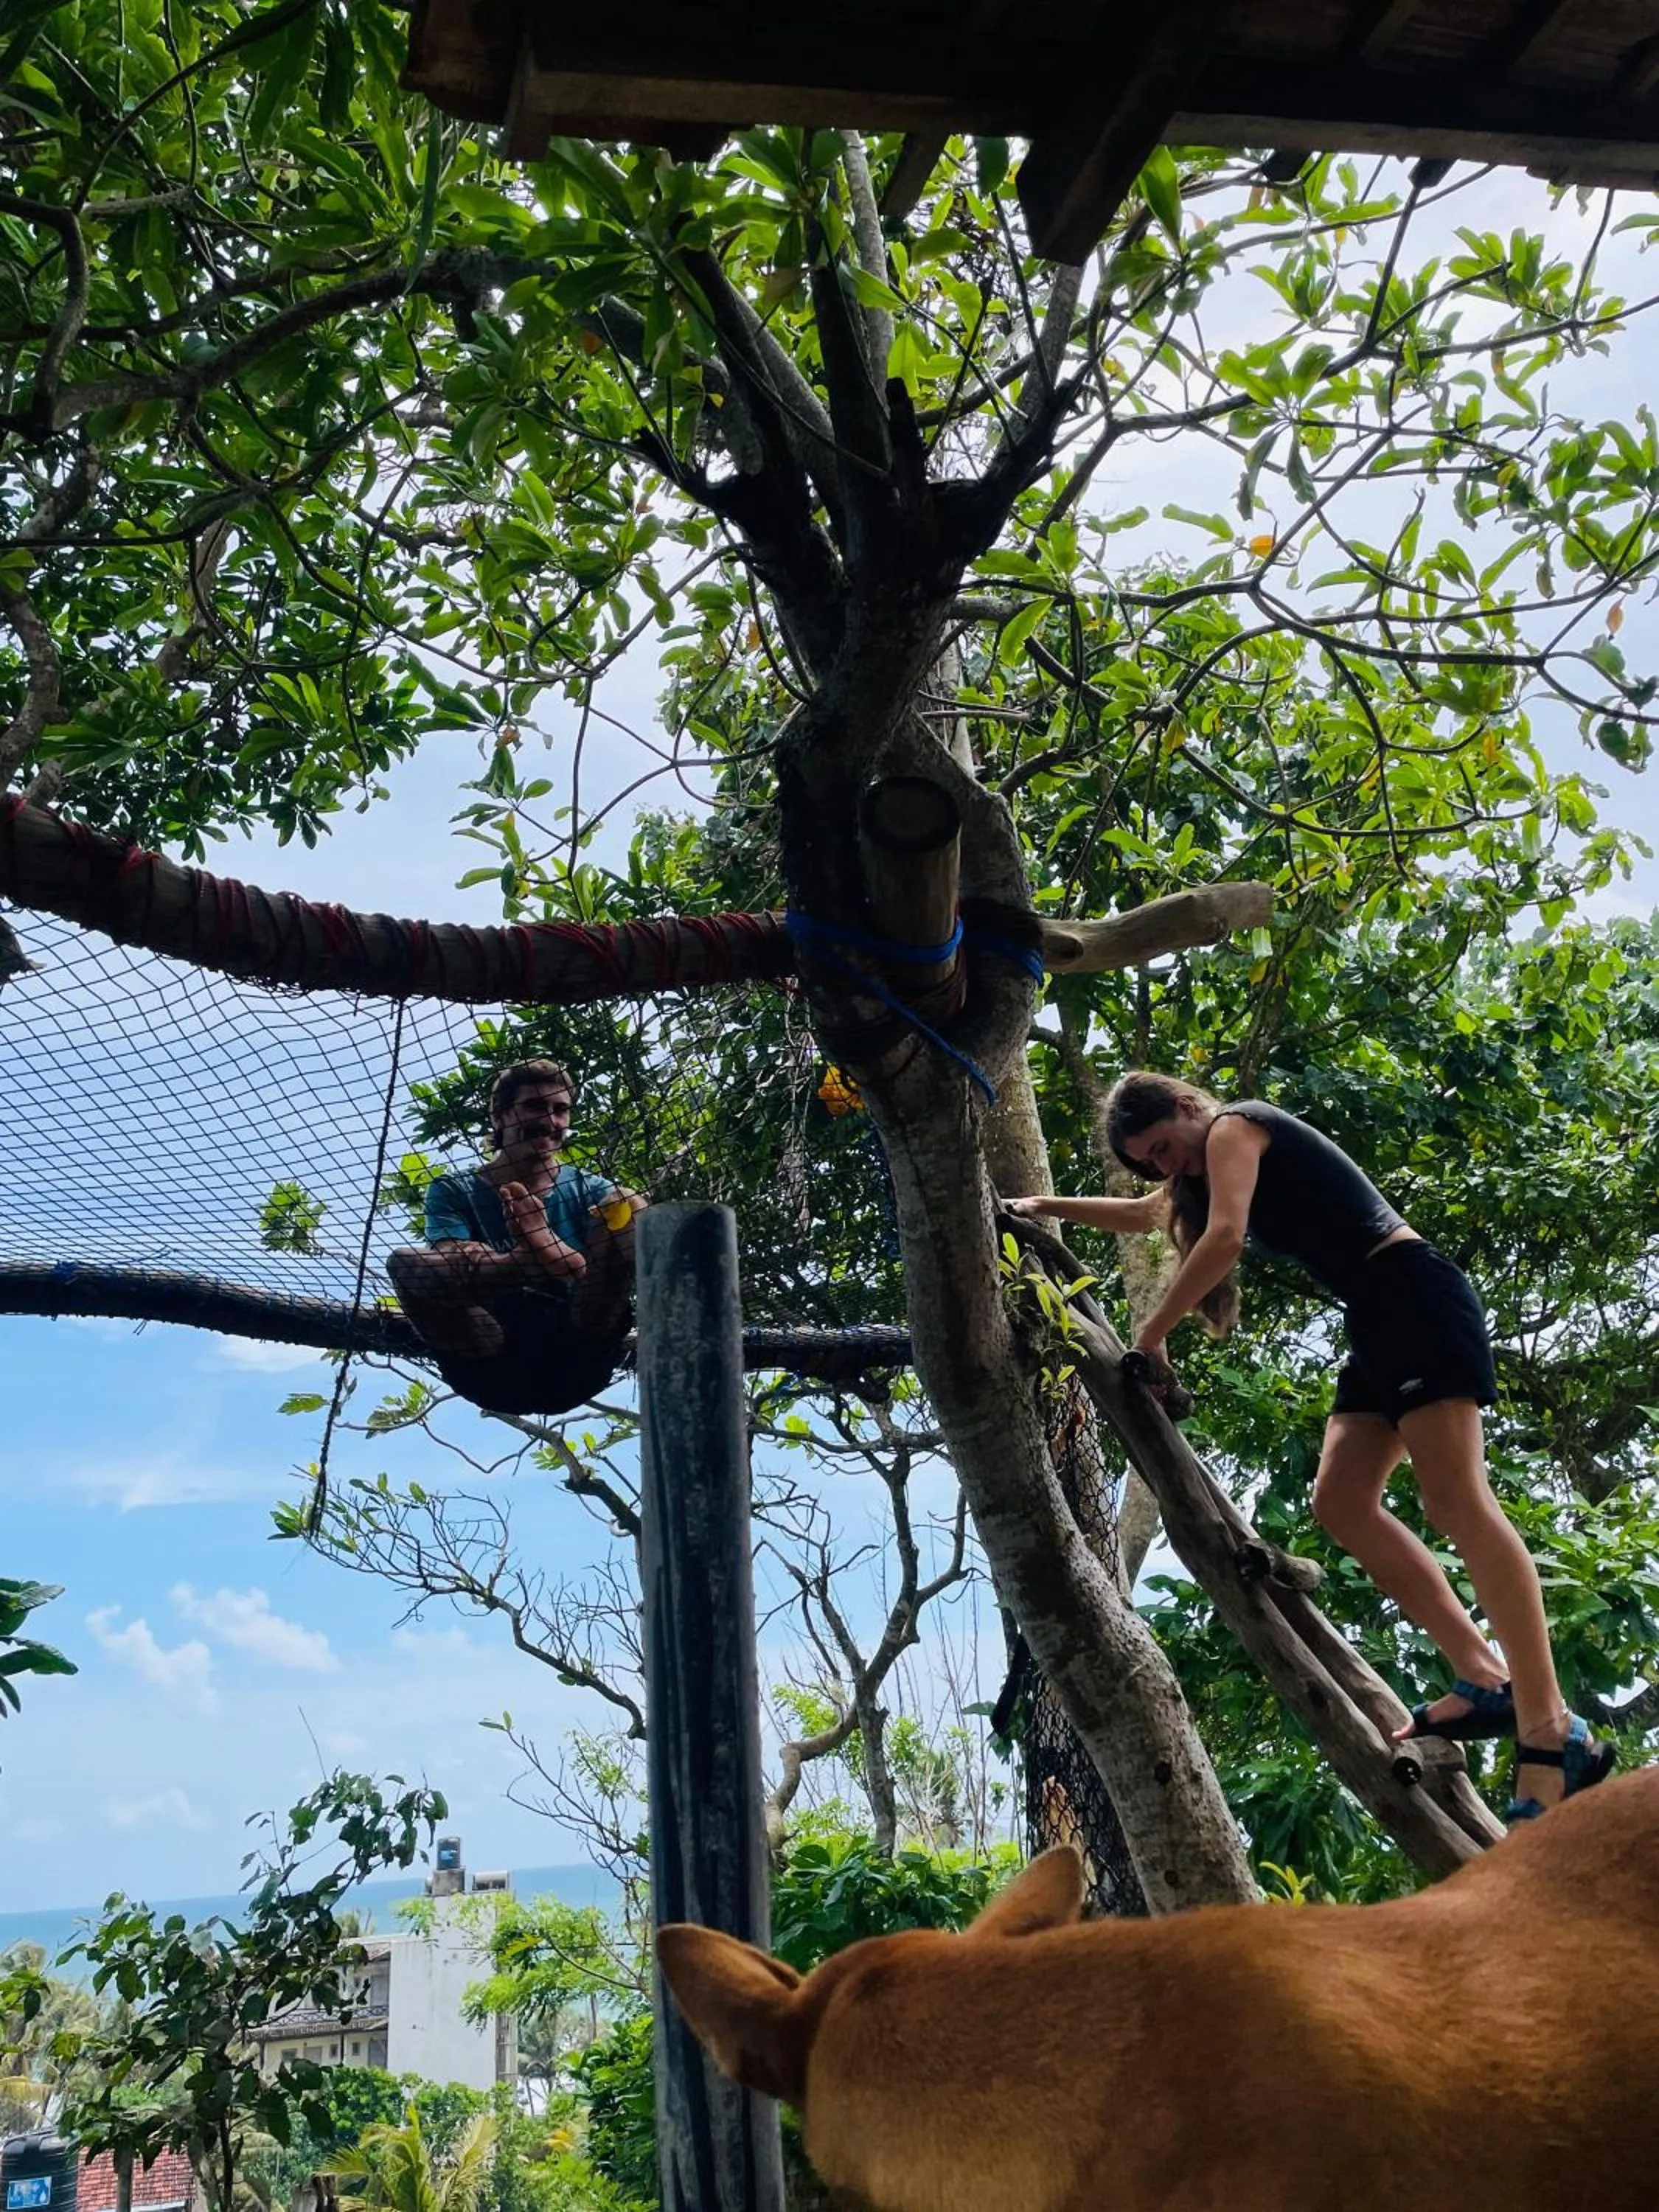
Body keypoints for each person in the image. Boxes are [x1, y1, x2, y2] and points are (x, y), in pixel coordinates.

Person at [1006, 1070, 1614, 1824]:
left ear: (1187, 1107)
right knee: (1342, 1502)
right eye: (1149, 1161)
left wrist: (1152, 1336)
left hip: (1412, 1295)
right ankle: (1484, 1677)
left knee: (1458, 1501)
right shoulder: (1196, 1165)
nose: (1165, 1168)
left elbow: (1224, 1238)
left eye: (1162, 1148)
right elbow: (1143, 1213)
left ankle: (1551, 1728)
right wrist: (1041, 1207)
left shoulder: (1234, 1126)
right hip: (1377, 1316)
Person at [386, 1058, 644, 1417]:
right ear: (499, 1116)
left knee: (626, 1202)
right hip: (488, 1356)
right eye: (535, 1106)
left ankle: (667, 1281)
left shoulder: (592, 1189)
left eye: (560, 1110)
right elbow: (449, 1259)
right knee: (404, 1264)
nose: (550, 1120)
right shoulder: (455, 1189)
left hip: (581, 1343)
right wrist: (520, 1262)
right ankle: (525, 1262)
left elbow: (618, 1261)